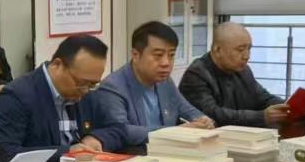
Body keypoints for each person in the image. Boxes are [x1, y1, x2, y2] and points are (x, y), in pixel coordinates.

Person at [84, 21, 212, 151]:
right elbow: (122, 131)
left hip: (167, 152)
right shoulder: (113, 87)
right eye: (158, 55)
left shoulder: (165, 81)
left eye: (171, 55)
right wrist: (175, 132)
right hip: (135, 156)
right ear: (136, 55)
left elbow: (186, 108)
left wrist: (202, 120)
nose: (166, 63)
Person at [0, 35, 109, 162]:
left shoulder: (87, 91)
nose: (86, 90)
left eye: (92, 84)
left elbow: (116, 127)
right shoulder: (17, 96)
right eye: (81, 83)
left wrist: (96, 137)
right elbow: (3, 153)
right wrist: (66, 153)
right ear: (57, 65)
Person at [178, 23, 290, 129]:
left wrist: (288, 106)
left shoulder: (243, 70)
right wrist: (261, 117)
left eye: (249, 49)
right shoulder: (196, 74)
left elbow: (262, 98)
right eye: (240, 50)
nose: (246, 56)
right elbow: (213, 115)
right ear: (217, 50)